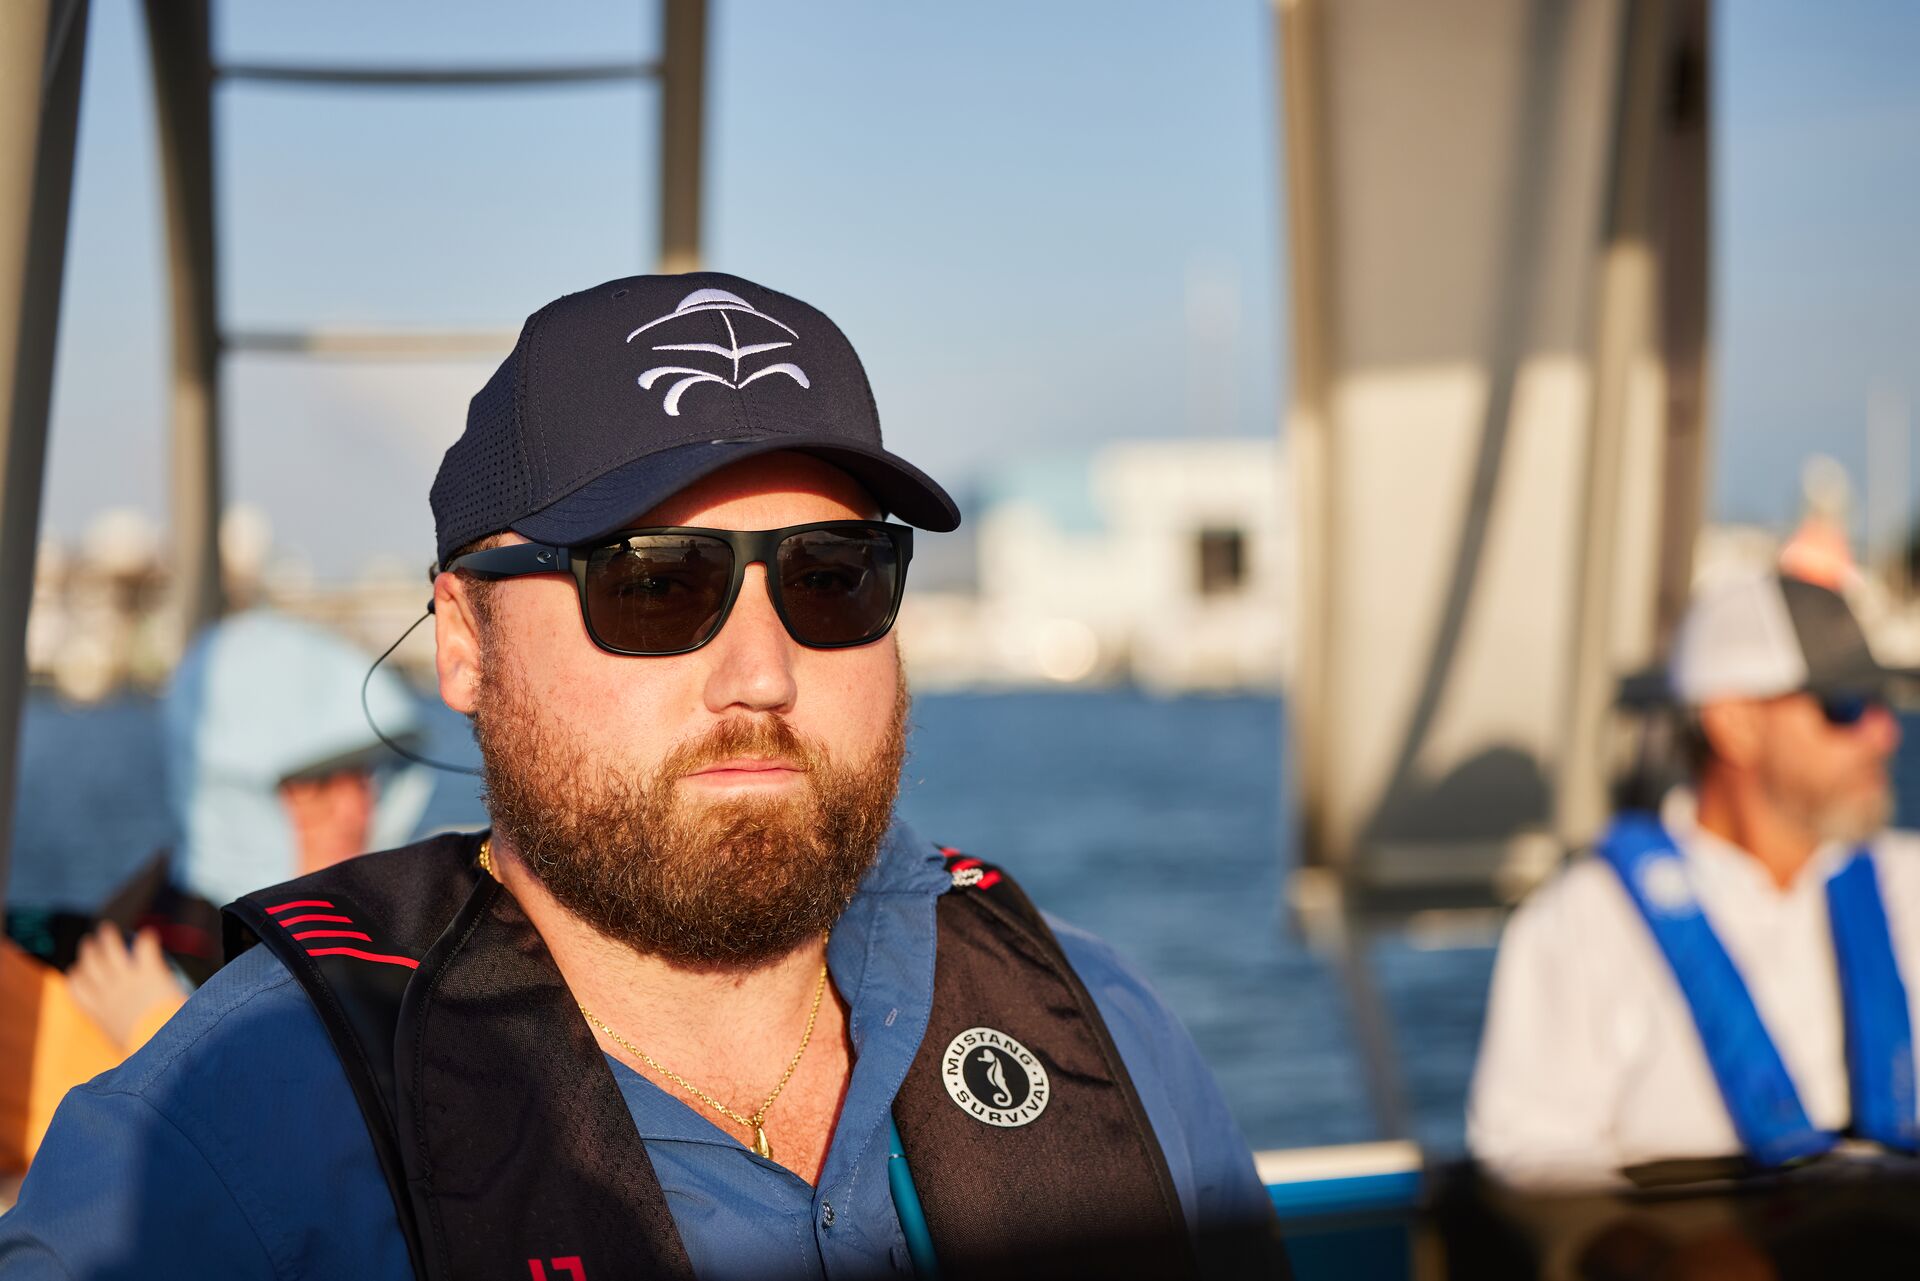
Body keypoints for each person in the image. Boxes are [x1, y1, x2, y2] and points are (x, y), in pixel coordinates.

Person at [0, 273, 1279, 1278]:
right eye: (656, 584)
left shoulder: (1107, 1035)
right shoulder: (226, 1152)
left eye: (832, 578)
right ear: (464, 640)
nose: (764, 673)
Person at [1469, 570, 1920, 1186]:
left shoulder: (1907, 884)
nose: (1885, 733)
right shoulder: (1586, 922)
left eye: (1883, 704)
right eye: (1845, 707)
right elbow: (1535, 1166)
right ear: (1734, 723)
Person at [0, 611, 430, 1179]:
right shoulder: (100, 956)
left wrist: (165, 1043)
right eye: (320, 784)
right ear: (236, 798)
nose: (358, 809)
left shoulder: (414, 955)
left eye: (365, 775)